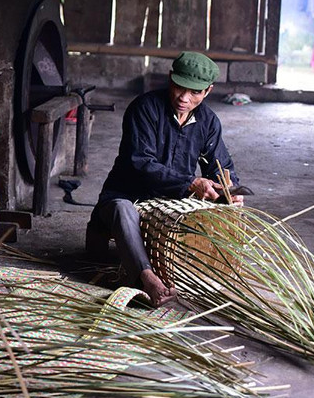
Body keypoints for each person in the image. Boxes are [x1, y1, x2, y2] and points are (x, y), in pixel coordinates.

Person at [88, 51, 244, 307]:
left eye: (194, 92)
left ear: (208, 91)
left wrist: (227, 188)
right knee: (122, 208)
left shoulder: (208, 122)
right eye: (179, 87)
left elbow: (220, 165)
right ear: (170, 78)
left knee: (220, 208)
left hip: (172, 202)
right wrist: (190, 183)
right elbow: (141, 163)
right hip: (129, 194)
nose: (184, 98)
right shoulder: (144, 109)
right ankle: (147, 279)